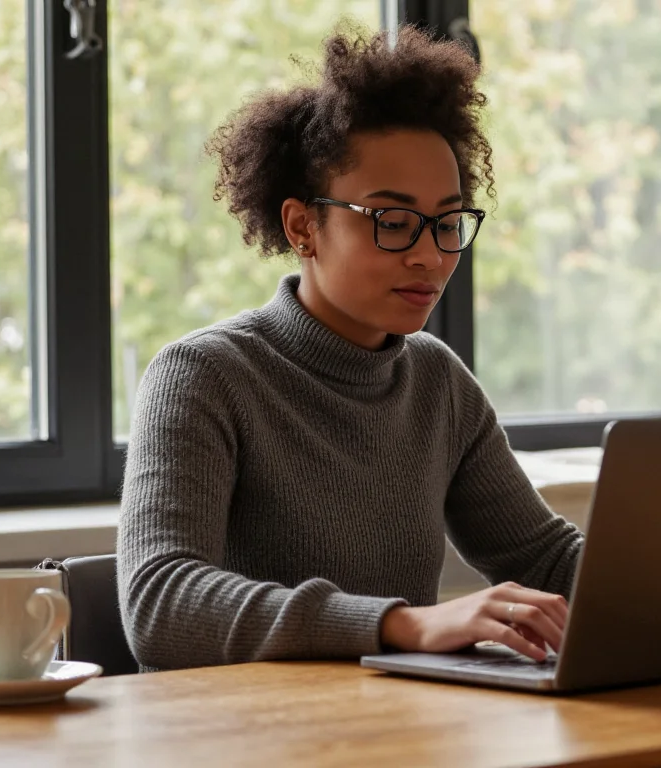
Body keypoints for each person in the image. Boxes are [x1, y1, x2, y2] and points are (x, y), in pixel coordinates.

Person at [117, 23, 584, 671]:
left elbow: (547, 559)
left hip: (392, 731)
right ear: (303, 226)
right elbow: (160, 603)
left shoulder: (436, 382)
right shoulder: (203, 375)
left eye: (448, 223)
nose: (430, 255)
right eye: (392, 222)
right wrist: (400, 624)